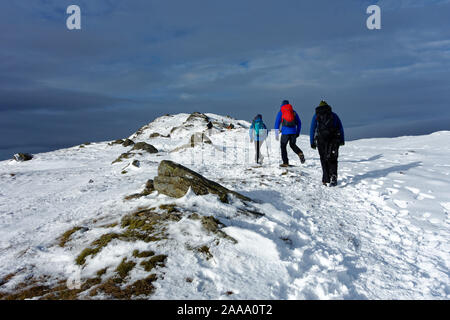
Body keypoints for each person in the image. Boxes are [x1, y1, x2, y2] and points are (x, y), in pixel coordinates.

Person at [310, 100, 345, 186]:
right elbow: (340, 128)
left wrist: (312, 142)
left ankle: (325, 179)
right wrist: (342, 140)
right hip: (333, 140)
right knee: (333, 158)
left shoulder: (316, 116)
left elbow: (312, 129)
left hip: (321, 140)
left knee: (323, 158)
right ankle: (333, 176)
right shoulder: (334, 115)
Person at [274, 100, 305, 167]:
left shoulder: (281, 112)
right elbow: (299, 123)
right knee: (292, 145)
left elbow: (277, 124)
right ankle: (300, 153)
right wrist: (297, 132)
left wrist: (276, 134)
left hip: (285, 133)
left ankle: (285, 162)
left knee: (283, 146)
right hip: (293, 132)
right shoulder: (294, 112)